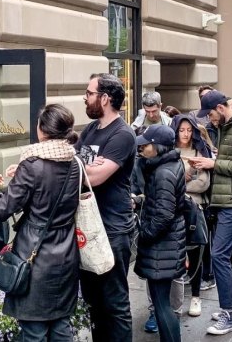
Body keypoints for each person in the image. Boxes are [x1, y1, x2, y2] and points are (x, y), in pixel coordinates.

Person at [0, 104, 81, 342]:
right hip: (66, 254)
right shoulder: (74, 163)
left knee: (34, 332)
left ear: (42, 129)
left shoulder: (33, 164)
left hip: (35, 258)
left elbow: (1, 210)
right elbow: (51, 192)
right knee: (60, 326)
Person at [188, 90, 232, 335]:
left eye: (210, 114)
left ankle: (228, 313)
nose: (209, 119)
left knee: (218, 254)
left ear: (220, 108)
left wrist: (214, 163)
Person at [76, 73, 136, 342]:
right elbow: (76, 167)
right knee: (93, 301)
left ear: (105, 98)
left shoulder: (123, 134)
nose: (85, 98)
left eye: (89, 93)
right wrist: (85, 166)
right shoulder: (90, 130)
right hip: (88, 227)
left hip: (113, 229)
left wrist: (85, 168)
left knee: (115, 303)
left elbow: (95, 177)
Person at [134, 125, 186, 342]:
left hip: (162, 246)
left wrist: (144, 234)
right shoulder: (169, 165)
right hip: (166, 243)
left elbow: (164, 215)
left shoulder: (163, 172)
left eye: (146, 145)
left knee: (162, 304)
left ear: (157, 147)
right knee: (161, 302)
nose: (142, 148)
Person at [171, 114, 214, 317]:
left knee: (195, 251)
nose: (186, 134)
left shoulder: (199, 150)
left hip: (195, 208)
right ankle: (175, 299)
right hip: (172, 208)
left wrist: (177, 186)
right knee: (175, 253)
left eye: (189, 130)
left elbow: (203, 183)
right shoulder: (170, 150)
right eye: (182, 130)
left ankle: (195, 296)